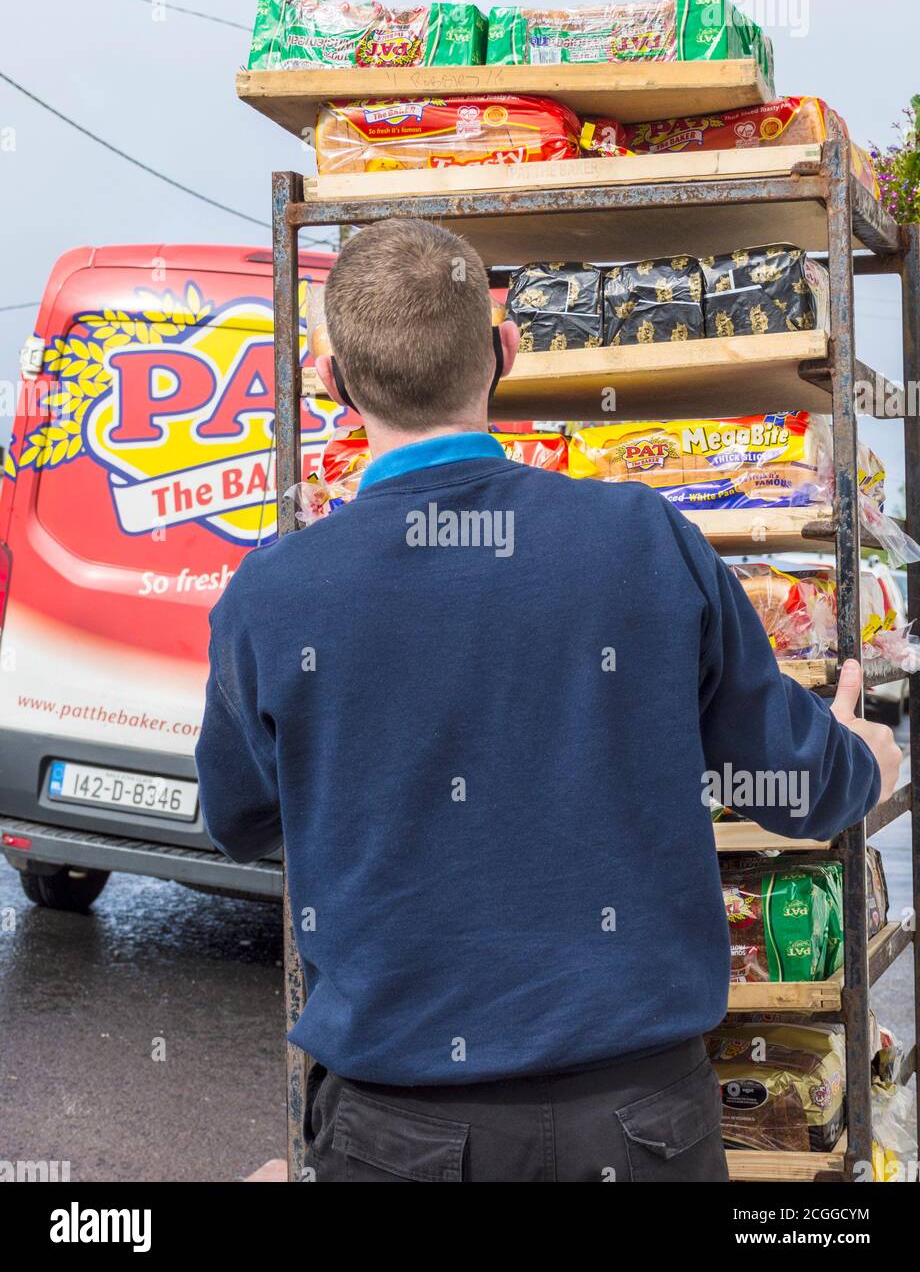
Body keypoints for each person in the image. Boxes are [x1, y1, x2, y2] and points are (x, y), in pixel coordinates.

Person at [196, 218, 900, 1184]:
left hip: (396, 1138)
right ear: (505, 352)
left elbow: (239, 821)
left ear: (333, 383)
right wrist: (866, 750)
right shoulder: (641, 538)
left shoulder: (270, 597)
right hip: (642, 1126)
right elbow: (793, 789)